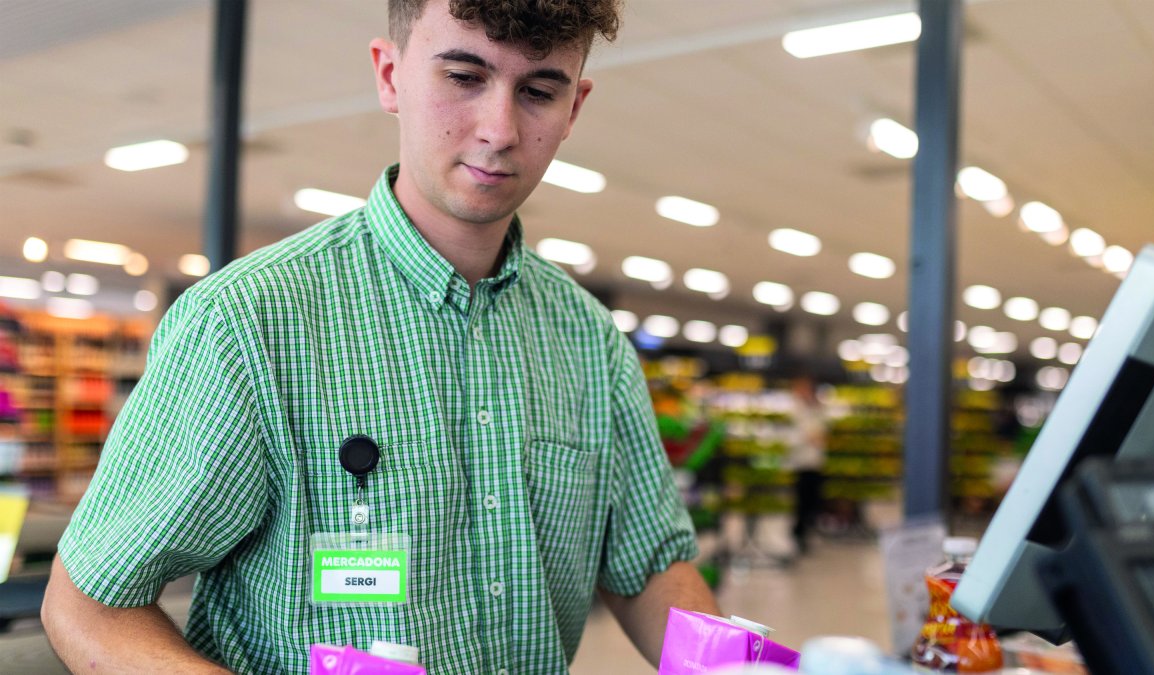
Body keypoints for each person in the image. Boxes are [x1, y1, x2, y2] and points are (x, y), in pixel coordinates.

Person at [40, 1, 720, 672]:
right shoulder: (248, 322)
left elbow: (648, 568)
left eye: (539, 91)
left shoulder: (589, 341)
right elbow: (87, 605)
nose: (499, 128)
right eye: (463, 77)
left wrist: (734, 667)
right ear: (390, 75)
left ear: (574, 109)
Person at [785, 377, 827, 554]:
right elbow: (795, 436)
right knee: (801, 502)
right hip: (800, 463)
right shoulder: (794, 409)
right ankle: (798, 533)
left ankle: (805, 532)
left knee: (812, 501)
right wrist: (809, 437)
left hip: (815, 463)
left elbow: (822, 429)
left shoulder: (815, 408)